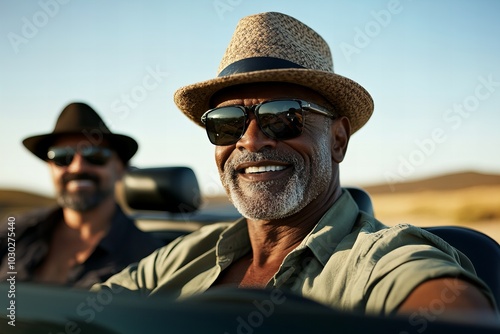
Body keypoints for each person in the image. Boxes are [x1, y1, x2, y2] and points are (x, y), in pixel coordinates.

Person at [92, 12, 498, 321]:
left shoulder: (378, 260)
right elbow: (78, 314)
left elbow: (452, 306)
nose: (250, 141)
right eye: (227, 123)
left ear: (338, 139)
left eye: (284, 116)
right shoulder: (183, 255)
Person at [0, 102, 163, 288]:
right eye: (62, 157)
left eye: (95, 155)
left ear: (120, 169)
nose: (77, 167)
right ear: (50, 167)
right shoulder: (14, 231)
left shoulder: (149, 258)